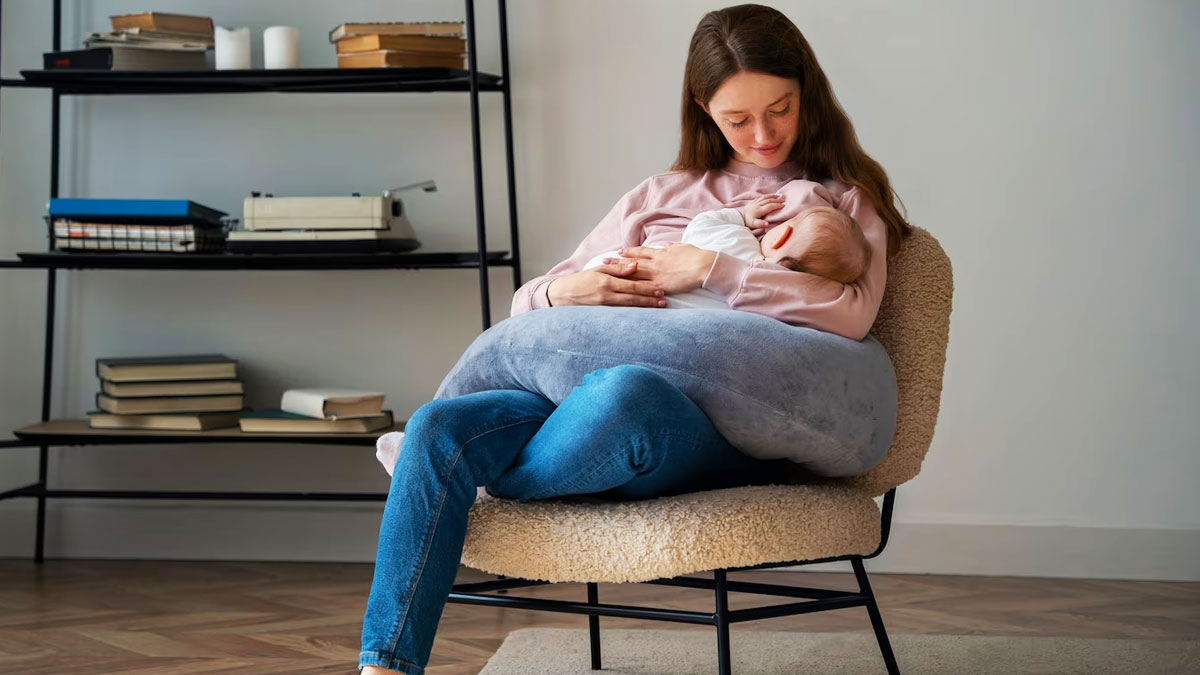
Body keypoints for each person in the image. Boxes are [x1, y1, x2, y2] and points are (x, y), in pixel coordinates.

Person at [359, 4, 911, 673]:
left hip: (703, 424)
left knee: (625, 392)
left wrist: (710, 268)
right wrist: (571, 291)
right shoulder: (660, 194)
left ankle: (460, 482)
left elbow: (851, 311)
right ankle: (385, 664)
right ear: (704, 108)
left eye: (781, 108)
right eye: (738, 118)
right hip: (572, 400)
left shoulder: (841, 199)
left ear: (809, 95)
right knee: (437, 427)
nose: (763, 134)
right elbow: (529, 303)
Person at [580, 183, 872, 308]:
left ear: (781, 235)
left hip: (614, 272)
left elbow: (701, 224)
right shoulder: (773, 293)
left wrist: (741, 216)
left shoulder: (737, 238)